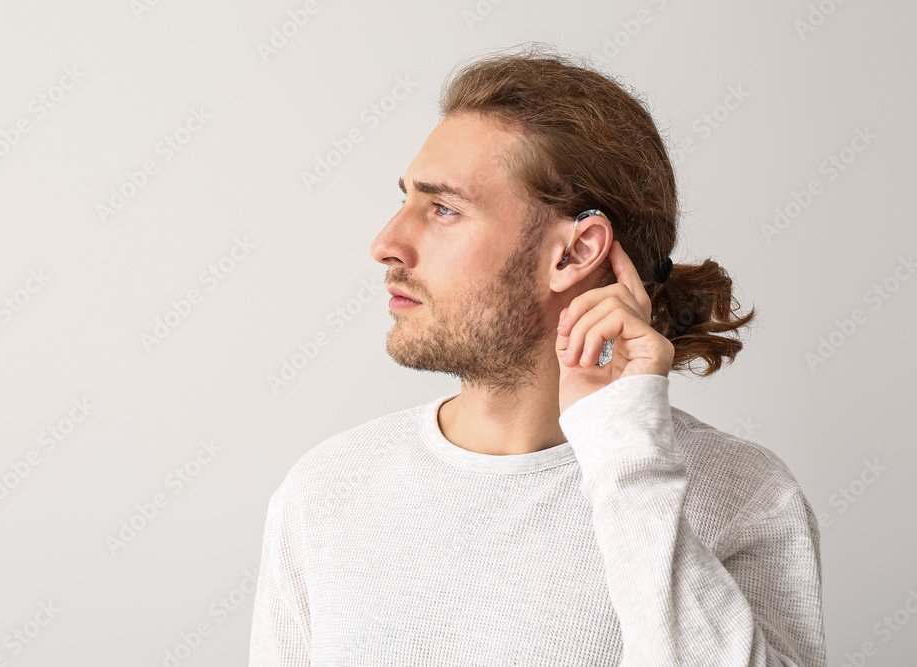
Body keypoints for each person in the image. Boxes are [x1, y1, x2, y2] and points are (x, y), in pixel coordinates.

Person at [249, 43, 826, 666]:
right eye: (406, 201)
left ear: (574, 254)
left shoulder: (741, 495)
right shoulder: (327, 489)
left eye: (443, 208)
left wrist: (625, 448)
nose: (385, 243)